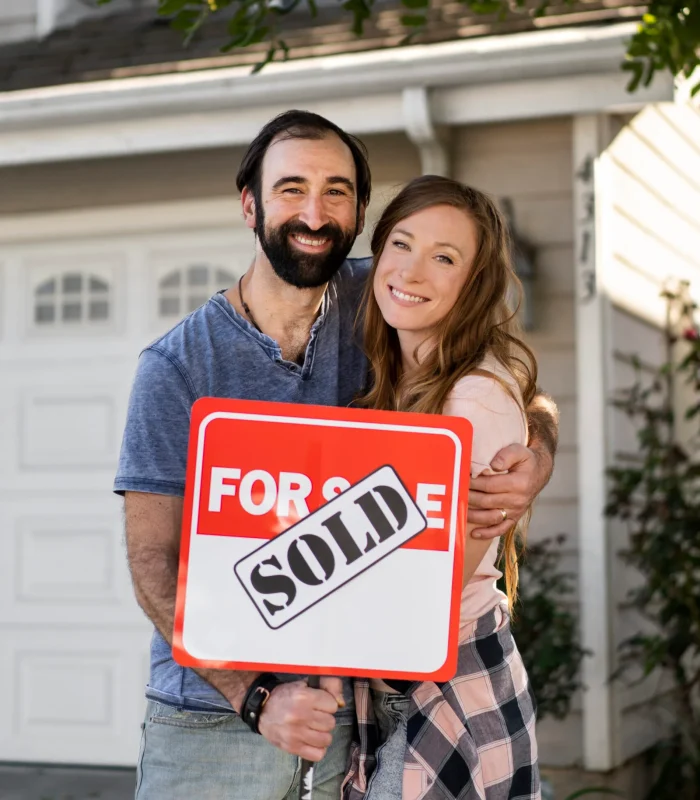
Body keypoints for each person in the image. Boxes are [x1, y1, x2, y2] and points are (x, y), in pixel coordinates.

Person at [114, 110, 557, 799]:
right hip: (215, 723)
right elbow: (152, 565)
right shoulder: (177, 366)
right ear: (249, 203)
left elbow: (502, 383)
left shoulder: (379, 298)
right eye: (291, 188)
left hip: (352, 720)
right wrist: (256, 697)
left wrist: (537, 455)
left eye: (337, 191)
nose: (314, 213)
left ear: (358, 215)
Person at [343, 175, 542, 800]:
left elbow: (431, 587)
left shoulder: (473, 397)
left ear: (473, 285)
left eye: (445, 257)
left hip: (447, 683)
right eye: (401, 244)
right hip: (397, 685)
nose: (413, 270)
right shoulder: (395, 379)